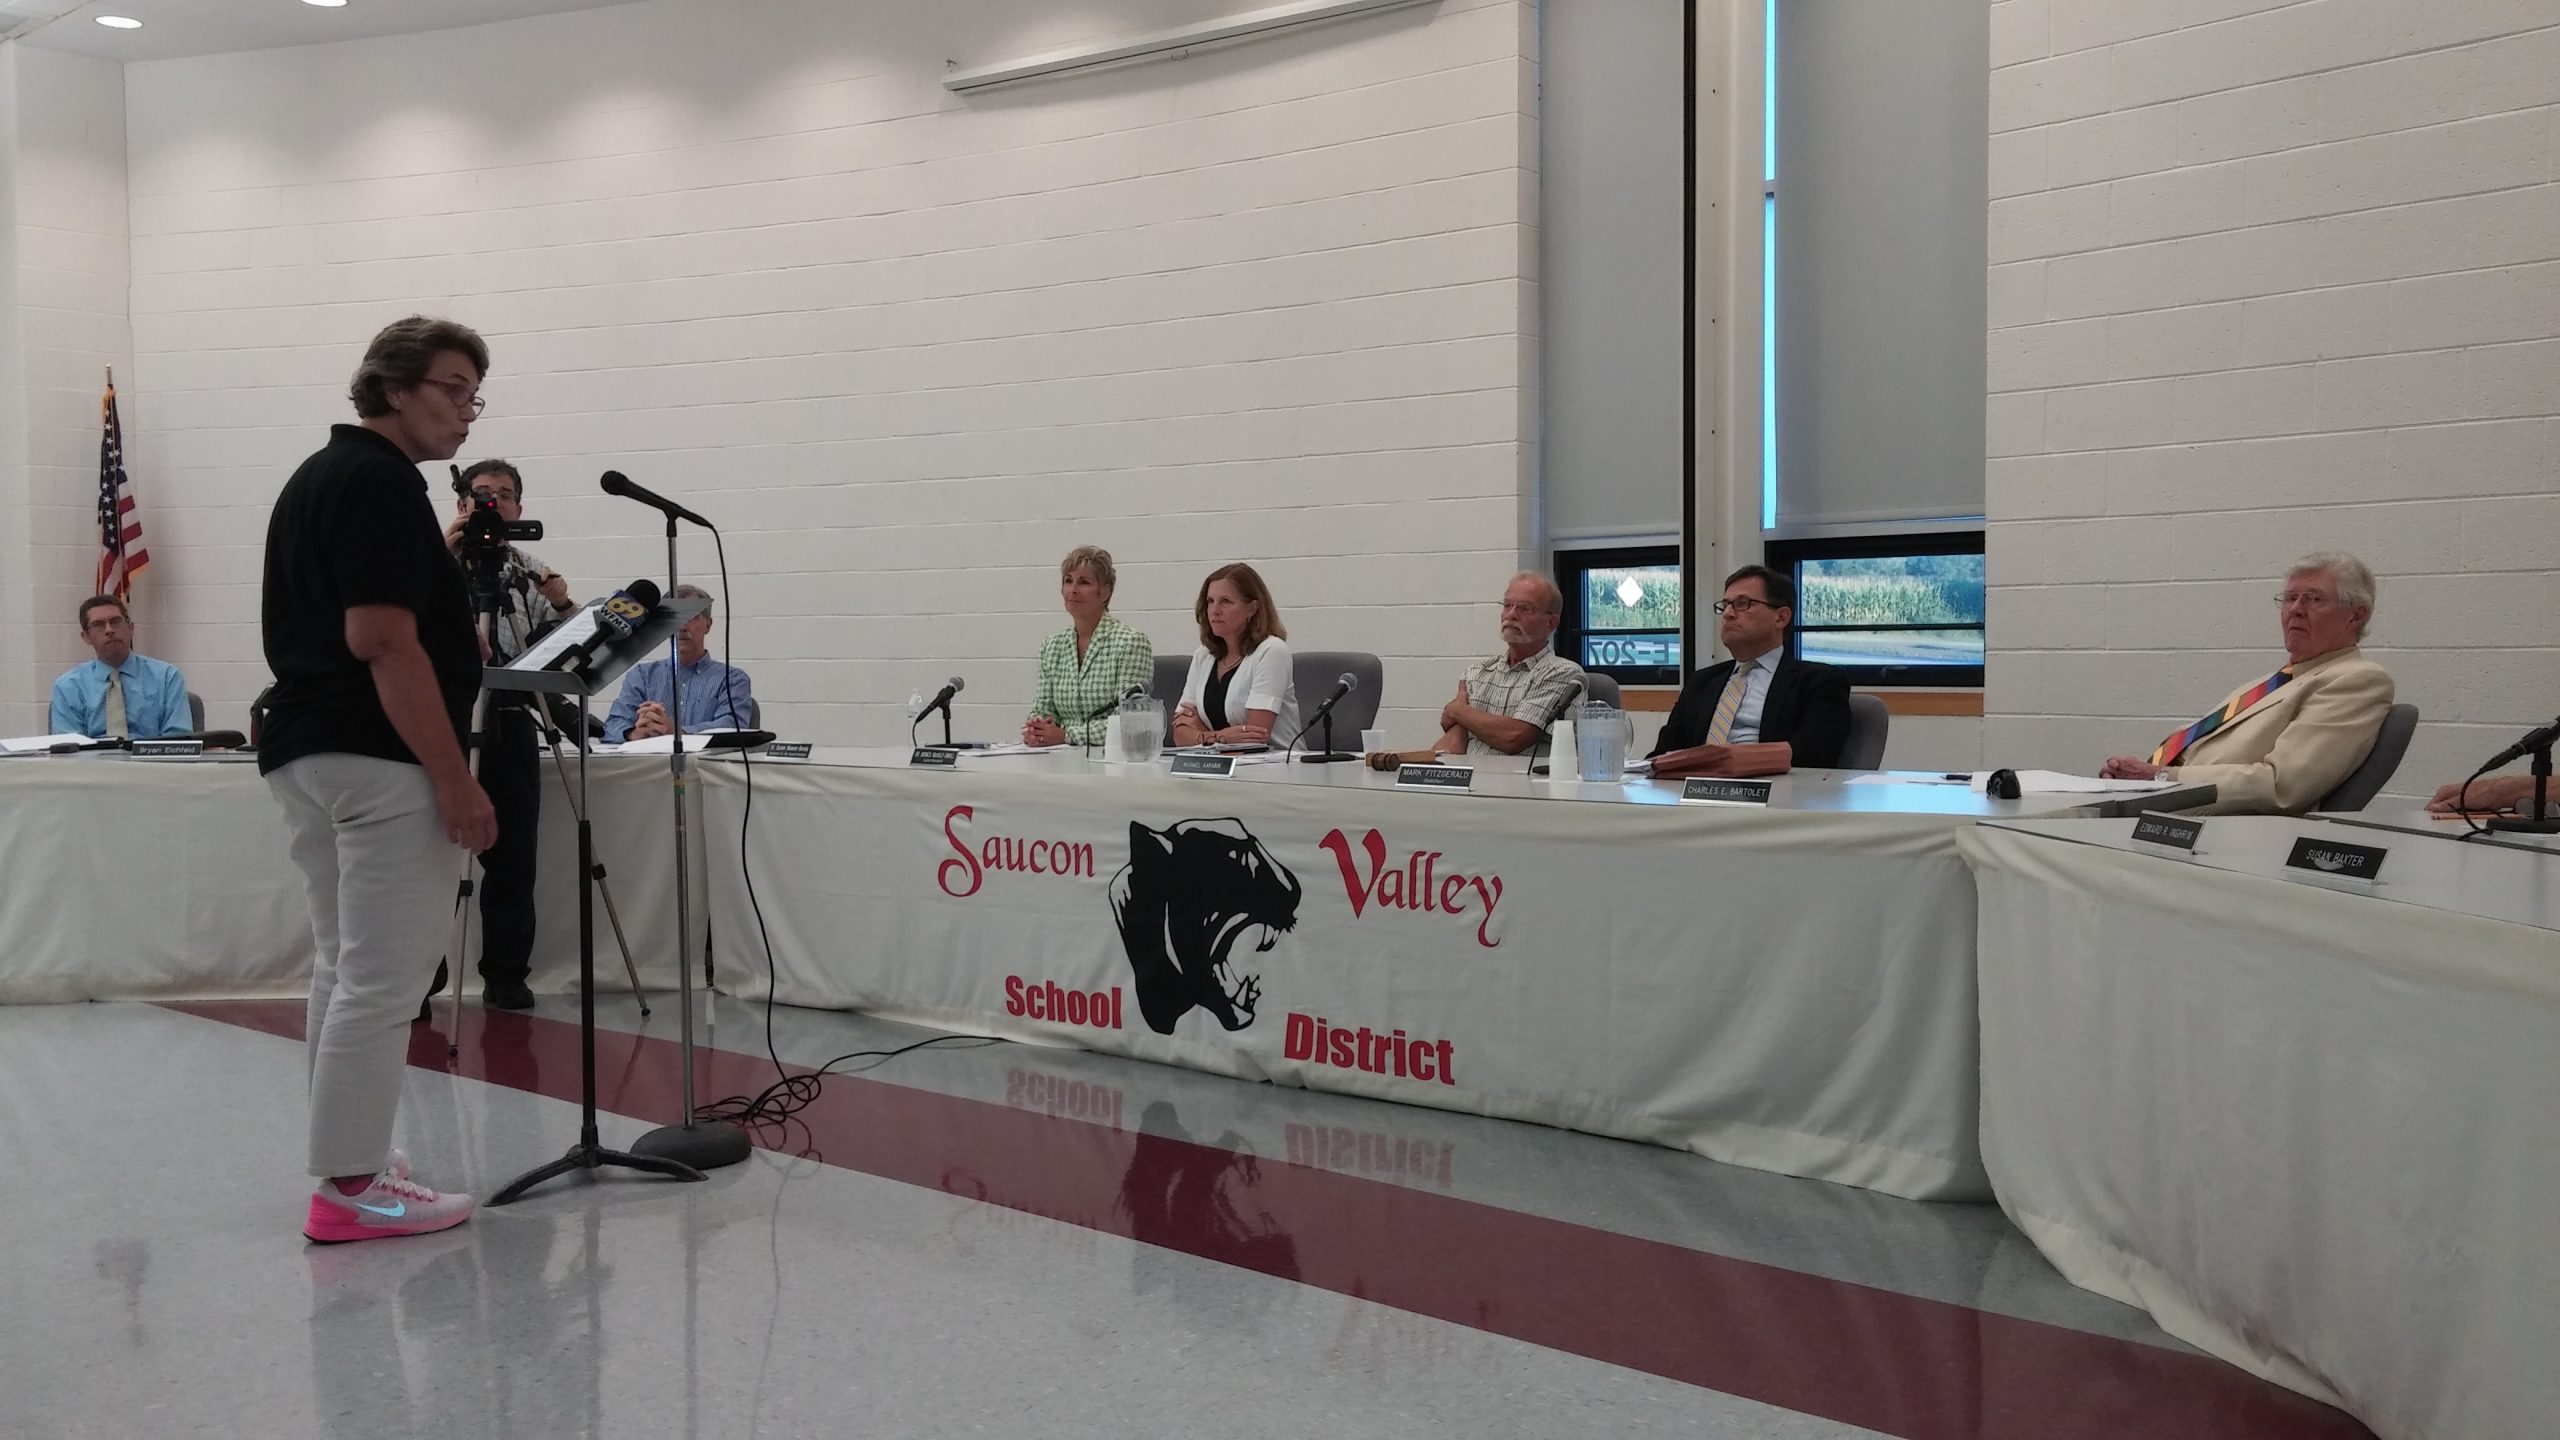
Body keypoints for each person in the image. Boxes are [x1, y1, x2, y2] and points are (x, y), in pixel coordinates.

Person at [260, 314, 496, 1243]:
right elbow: (381, 640)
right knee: (384, 982)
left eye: (476, 394)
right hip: (380, 757)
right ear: (393, 389)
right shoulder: (383, 482)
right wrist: (456, 778)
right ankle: (352, 1189)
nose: (467, 411)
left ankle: (350, 1161)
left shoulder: (318, 477)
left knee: (344, 968)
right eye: (451, 388)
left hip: (311, 749)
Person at [2100, 551, 2395, 815]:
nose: (2296, 610)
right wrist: (2130, 777)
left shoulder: (2357, 680)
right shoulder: (2270, 683)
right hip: (2165, 809)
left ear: (2356, 616)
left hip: (2222, 834)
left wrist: (2160, 778)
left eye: (2314, 599)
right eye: (2290, 598)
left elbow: (2282, 785)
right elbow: (2192, 749)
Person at [437, 459, 575, 1011]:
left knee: (514, 858)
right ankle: (422, 976)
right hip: (444, 723)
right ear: (462, 503)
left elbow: (562, 657)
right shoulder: (431, 559)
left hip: (514, 720)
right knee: (434, 859)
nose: (493, 503)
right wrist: (443, 557)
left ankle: (507, 972)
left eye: (505, 495)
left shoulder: (530, 569)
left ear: (520, 508)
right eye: (482, 493)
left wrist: (563, 604)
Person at [1647, 564, 1851, 777]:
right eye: (1724, 606)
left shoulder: (1820, 682)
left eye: (1742, 604)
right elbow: (1663, 754)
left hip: (1770, 796)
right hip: (1692, 795)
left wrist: (1735, 762)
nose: (1727, 614)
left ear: (1781, 617)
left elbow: (1814, 755)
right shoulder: (1701, 681)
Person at [1367, 571, 1584, 767]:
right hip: (1469, 781)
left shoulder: (1564, 674)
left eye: (1525, 608)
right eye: (1507, 605)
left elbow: (1514, 738)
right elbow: (1454, 743)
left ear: (1551, 623)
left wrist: (1459, 711)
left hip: (1526, 791)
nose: (1511, 614)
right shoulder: (1477, 673)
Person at [1025, 545, 1153, 747]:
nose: (1073, 590)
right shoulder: (1052, 646)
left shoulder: (1131, 642)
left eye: (1083, 582)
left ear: (1104, 593)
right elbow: (1042, 709)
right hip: (1058, 758)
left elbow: (1128, 723)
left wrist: (1066, 735)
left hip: (1109, 761)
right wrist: (1036, 729)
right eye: (1068, 581)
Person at [603, 584, 755, 741]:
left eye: (692, 617)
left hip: (701, 765)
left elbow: (732, 727)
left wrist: (676, 732)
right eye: (674, 619)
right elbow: (612, 727)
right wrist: (635, 733)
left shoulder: (732, 679)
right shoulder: (642, 676)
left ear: (708, 625)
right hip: (650, 764)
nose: (682, 627)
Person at [1172, 563, 1300, 749]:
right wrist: (1219, 737)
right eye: (1210, 601)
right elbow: (1179, 733)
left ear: (1252, 609)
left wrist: (1201, 733)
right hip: (1217, 765)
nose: (1214, 610)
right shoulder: (1204, 655)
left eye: (1225, 601)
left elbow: (1255, 736)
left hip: (1274, 768)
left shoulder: (1271, 651)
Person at [49, 595, 193, 739]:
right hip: (92, 761)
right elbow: (70, 749)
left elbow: (178, 741)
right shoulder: (68, 687)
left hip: (151, 759)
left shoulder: (167, 678)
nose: (109, 630)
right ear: (86, 637)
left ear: (131, 628)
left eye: (116, 622)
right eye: (98, 625)